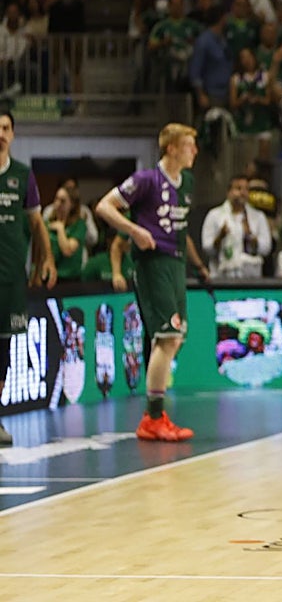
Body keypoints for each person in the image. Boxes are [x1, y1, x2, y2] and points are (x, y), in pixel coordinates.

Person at [95, 123, 210, 442]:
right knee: (167, 337)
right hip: (152, 263)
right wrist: (134, 231)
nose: (195, 151)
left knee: (176, 339)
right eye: (189, 145)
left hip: (176, 263)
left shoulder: (186, 182)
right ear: (171, 148)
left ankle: (156, 409)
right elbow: (104, 206)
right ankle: (153, 416)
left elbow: (182, 230)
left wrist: (197, 264)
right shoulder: (146, 180)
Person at [0, 110, 56, 446]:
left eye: (6, 128)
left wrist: (46, 258)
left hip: (10, 279)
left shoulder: (22, 175)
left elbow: (36, 224)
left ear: (14, 134)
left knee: (3, 350)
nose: (1, 133)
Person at [200, 175, 272, 279]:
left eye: (246, 189)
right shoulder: (214, 215)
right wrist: (220, 237)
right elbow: (207, 248)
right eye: (238, 188)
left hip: (251, 278)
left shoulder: (258, 216)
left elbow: (266, 249)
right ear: (229, 192)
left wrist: (250, 236)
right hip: (222, 277)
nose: (243, 193)